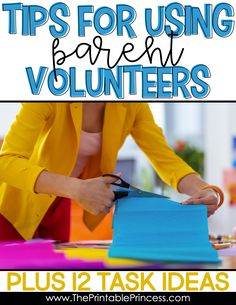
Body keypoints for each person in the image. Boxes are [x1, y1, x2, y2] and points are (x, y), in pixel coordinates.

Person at [0, 102, 223, 242]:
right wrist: (77, 188)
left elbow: (165, 160)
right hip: (14, 205)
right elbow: (6, 161)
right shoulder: (49, 91)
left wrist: (206, 190)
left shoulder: (131, 103)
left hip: (59, 204)